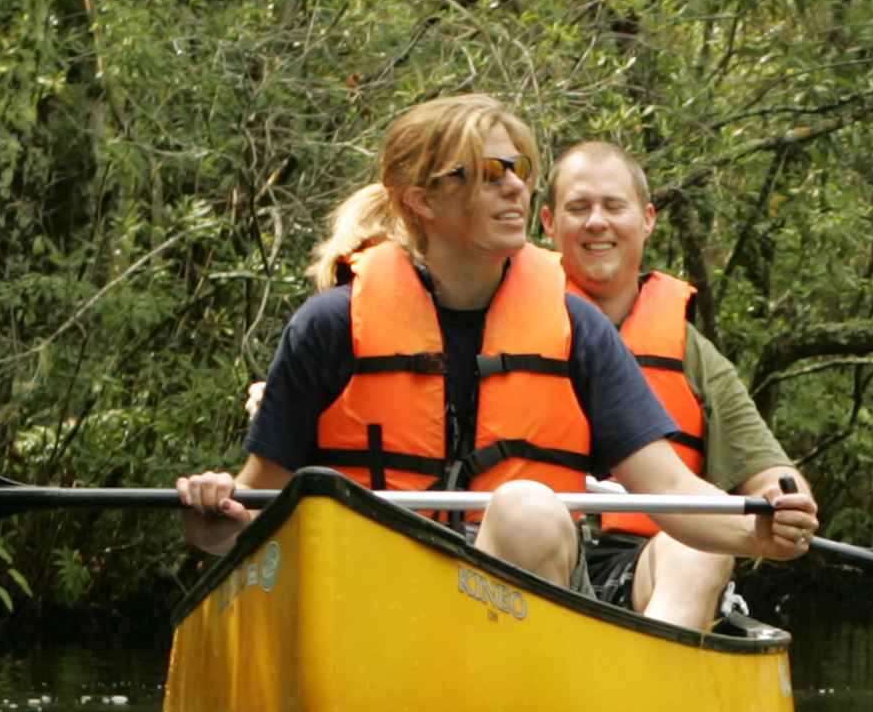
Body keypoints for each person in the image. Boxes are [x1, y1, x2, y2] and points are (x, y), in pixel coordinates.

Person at [174, 94, 816, 631]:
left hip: (510, 634)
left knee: (528, 507)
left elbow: (672, 490)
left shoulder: (576, 327)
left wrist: (756, 534)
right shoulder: (330, 326)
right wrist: (214, 519)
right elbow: (251, 509)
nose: (514, 185)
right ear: (422, 201)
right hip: (372, 611)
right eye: (485, 173)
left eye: (518, 168)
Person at [539, 140, 813, 627]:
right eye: (578, 208)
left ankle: (651, 686)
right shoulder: (505, 327)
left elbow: (768, 469)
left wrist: (782, 499)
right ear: (547, 223)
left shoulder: (691, 354)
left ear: (646, 219)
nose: (596, 222)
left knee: (696, 550)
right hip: (540, 557)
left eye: (613, 206)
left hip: (646, 568)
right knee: (526, 521)